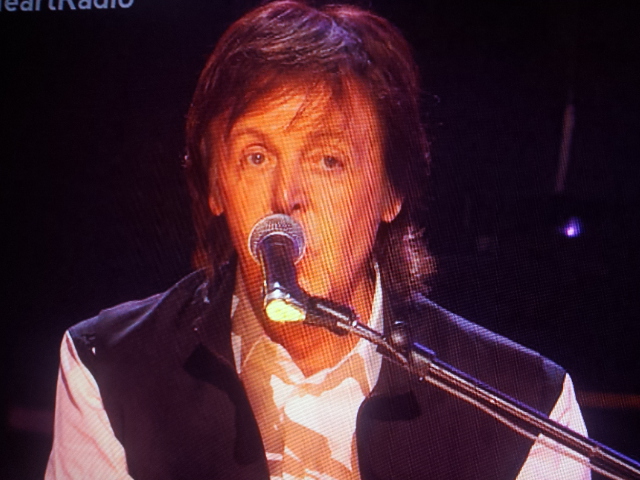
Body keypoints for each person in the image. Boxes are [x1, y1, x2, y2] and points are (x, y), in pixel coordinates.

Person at [46, 1, 590, 479]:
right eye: (256, 157)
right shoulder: (110, 366)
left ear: (391, 193)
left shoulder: (527, 408)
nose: (286, 197)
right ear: (216, 186)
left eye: (328, 160)